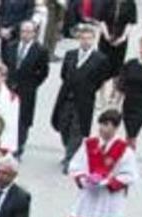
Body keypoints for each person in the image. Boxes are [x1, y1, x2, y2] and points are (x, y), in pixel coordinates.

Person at [50, 24, 111, 172]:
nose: (85, 41)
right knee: (64, 126)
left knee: (77, 131)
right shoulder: (70, 54)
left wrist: (92, 91)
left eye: (89, 39)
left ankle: (70, 159)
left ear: (93, 40)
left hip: (84, 100)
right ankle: (69, 150)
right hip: (66, 97)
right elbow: (64, 74)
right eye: (83, 38)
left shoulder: (100, 59)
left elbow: (101, 79)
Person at [3, 21, 51, 157]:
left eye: (29, 32)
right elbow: (7, 64)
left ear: (34, 33)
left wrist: (33, 84)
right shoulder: (11, 46)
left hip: (27, 88)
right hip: (10, 87)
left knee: (23, 120)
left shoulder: (40, 50)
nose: (25, 34)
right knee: (9, 116)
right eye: (23, 31)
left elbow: (43, 72)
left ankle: (19, 146)